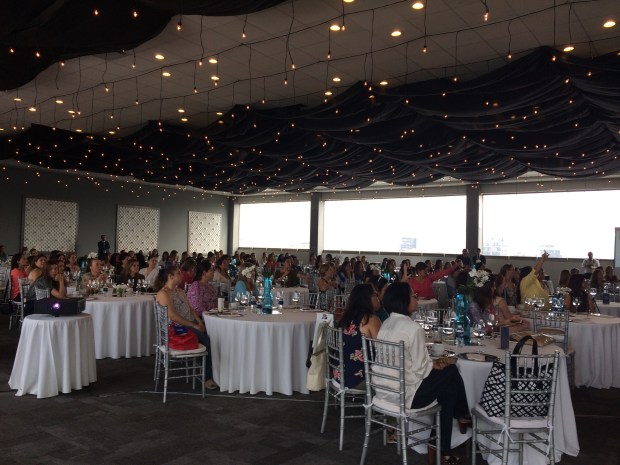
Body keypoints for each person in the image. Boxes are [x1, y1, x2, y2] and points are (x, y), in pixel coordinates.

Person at [374, 282, 470, 465]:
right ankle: (463, 413)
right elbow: (421, 370)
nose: (416, 299)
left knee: (450, 389)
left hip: (384, 390)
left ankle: (444, 451)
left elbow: (409, 363)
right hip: (407, 395)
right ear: (403, 300)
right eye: (413, 296)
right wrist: (434, 365)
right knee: (451, 369)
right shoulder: (413, 328)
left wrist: (432, 364)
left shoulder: (386, 323)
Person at [155, 266, 218, 390]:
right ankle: (207, 377)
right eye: (178, 273)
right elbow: (173, 316)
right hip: (177, 329)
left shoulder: (180, 291)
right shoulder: (163, 293)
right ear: (170, 277)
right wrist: (194, 325)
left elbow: (191, 309)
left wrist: (199, 321)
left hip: (189, 324)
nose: (182, 275)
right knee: (206, 341)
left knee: (214, 333)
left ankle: (214, 370)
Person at [333, 283, 382, 389]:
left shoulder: (346, 317)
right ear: (367, 298)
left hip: (339, 375)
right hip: (357, 379)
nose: (378, 298)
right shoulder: (370, 319)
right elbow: (381, 349)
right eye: (375, 295)